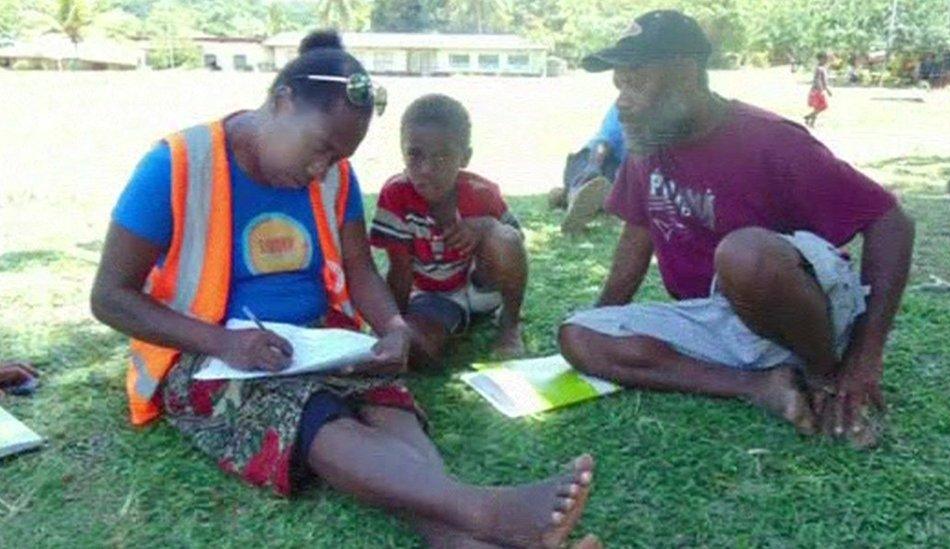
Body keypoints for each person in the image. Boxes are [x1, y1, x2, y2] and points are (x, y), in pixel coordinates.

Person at [91, 31, 597, 548]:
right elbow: (109, 296)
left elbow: (359, 269)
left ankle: (465, 541)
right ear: (282, 102)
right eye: (319, 149)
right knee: (311, 412)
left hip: (320, 341)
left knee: (388, 404)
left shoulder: (336, 176)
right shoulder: (176, 164)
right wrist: (223, 343)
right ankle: (488, 511)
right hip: (212, 353)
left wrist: (392, 327)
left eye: (336, 159)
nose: (321, 170)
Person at [558, 11, 915, 448]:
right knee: (577, 336)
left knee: (742, 255)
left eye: (636, 81)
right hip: (720, 322)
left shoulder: (770, 139)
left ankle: (824, 378)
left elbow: (891, 221)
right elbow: (638, 233)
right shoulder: (649, 143)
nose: (622, 102)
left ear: (685, 74)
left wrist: (865, 355)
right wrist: (604, 319)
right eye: (619, 85)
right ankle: (762, 386)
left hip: (806, 315)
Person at [370, 94, 528, 363]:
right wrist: (392, 327)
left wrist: (486, 227)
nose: (426, 169)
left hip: (483, 287)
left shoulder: (482, 194)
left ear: (464, 157)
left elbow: (514, 246)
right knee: (418, 350)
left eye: (442, 157)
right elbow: (400, 271)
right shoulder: (395, 195)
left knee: (503, 238)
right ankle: (439, 325)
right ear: (402, 151)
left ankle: (510, 324)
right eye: (414, 154)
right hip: (434, 297)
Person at [549, 105, 627, 232]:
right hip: (598, 159)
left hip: (623, 175)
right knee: (591, 178)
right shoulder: (624, 105)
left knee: (610, 191)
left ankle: (565, 198)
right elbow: (603, 142)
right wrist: (594, 167)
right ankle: (575, 199)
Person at [804, 52, 832, 128]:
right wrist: (824, 90)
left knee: (818, 107)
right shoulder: (819, 69)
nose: (826, 60)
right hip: (817, 90)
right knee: (822, 106)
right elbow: (818, 80)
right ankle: (809, 118)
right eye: (825, 58)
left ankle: (810, 121)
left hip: (819, 90)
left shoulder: (823, 68)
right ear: (820, 59)